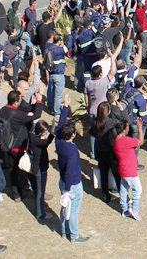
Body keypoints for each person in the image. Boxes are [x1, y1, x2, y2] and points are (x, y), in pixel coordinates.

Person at [55, 95, 89, 243]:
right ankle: (74, 235)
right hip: (72, 184)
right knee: (73, 210)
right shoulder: (72, 151)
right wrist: (68, 189)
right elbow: (70, 171)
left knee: (64, 208)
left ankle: (64, 231)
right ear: (73, 134)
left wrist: (65, 107)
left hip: (63, 181)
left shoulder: (59, 141)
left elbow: (60, 125)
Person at [114, 117, 145, 220]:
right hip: (129, 171)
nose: (128, 128)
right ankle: (134, 210)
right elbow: (140, 141)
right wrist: (140, 127)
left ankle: (125, 210)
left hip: (122, 169)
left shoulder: (117, 140)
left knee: (123, 190)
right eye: (127, 127)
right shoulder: (125, 141)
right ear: (123, 130)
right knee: (138, 190)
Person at [28, 120, 55, 220]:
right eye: (45, 132)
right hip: (40, 168)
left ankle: (40, 210)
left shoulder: (33, 136)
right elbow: (46, 142)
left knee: (37, 190)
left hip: (37, 167)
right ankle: (41, 213)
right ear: (40, 132)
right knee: (40, 191)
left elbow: (46, 142)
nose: (46, 134)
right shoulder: (37, 141)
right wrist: (51, 133)